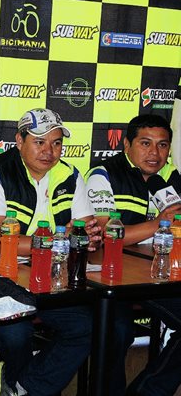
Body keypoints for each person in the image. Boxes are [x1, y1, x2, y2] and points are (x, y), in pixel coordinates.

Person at [0, 108, 100, 395]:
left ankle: (23, 387)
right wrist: (65, 238)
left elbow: (87, 231)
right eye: (39, 142)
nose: (49, 151)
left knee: (89, 325)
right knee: (16, 334)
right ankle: (19, 380)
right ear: (19, 141)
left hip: (50, 276)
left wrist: (90, 236)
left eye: (57, 143)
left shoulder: (70, 174)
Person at [86, 114, 181, 395]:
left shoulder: (171, 176)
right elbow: (106, 234)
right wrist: (159, 222)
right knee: (118, 331)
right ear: (126, 144)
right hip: (111, 275)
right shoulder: (102, 175)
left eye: (163, 145)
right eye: (145, 143)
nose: (155, 153)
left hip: (159, 274)